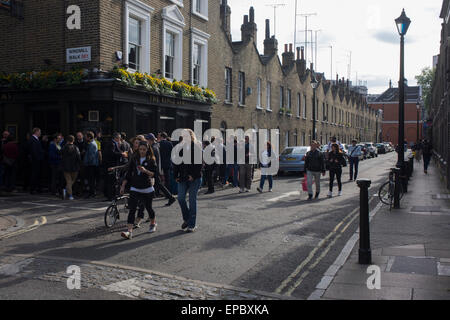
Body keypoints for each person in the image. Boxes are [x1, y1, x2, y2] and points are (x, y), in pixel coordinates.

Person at [120, 141, 157, 240]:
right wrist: (123, 186)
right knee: (132, 209)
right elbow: (128, 173)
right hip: (135, 187)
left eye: (144, 149)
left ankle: (153, 223)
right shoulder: (134, 158)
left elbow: (154, 174)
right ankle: (129, 231)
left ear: (147, 150)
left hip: (147, 188)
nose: (142, 151)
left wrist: (145, 171)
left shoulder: (151, 160)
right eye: (140, 149)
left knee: (149, 208)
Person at [174, 129, 203, 233]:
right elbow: (176, 163)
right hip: (182, 177)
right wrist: (175, 175)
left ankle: (192, 224)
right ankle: (187, 219)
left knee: (191, 200)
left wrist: (193, 176)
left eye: (187, 136)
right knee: (181, 198)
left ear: (191, 136)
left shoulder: (197, 147)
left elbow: (200, 164)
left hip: (194, 179)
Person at [146, 133, 176, 207]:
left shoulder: (154, 147)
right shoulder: (156, 146)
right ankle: (170, 197)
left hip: (154, 169)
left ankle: (170, 197)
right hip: (161, 166)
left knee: (158, 184)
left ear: (150, 140)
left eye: (147, 139)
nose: (146, 141)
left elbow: (154, 160)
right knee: (159, 184)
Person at [103, 132, 128, 200]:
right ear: (116, 138)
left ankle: (112, 195)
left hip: (114, 164)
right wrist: (121, 154)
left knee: (113, 180)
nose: (120, 139)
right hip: (111, 164)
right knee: (111, 181)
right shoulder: (111, 144)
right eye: (119, 138)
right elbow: (112, 153)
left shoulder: (116, 144)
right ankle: (110, 196)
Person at [61, 135, 82, 200]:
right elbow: (79, 158)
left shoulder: (64, 148)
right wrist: (80, 165)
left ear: (67, 140)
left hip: (66, 167)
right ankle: (70, 195)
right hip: (75, 167)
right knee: (71, 181)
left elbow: (60, 155)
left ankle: (67, 191)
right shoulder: (76, 148)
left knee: (69, 181)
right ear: (73, 140)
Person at [28, 128, 44, 194]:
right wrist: (37, 158)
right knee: (34, 174)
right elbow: (34, 151)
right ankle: (33, 189)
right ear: (36, 132)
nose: (40, 133)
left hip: (37, 160)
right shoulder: (33, 139)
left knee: (37, 174)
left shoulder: (36, 139)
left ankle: (37, 188)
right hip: (36, 160)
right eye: (39, 132)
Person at [84, 132, 99, 198]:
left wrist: (87, 163)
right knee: (92, 179)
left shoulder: (92, 144)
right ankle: (92, 192)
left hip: (91, 165)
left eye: (86, 136)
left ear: (89, 137)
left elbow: (91, 156)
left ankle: (92, 193)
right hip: (92, 164)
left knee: (91, 179)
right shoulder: (93, 143)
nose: (85, 138)